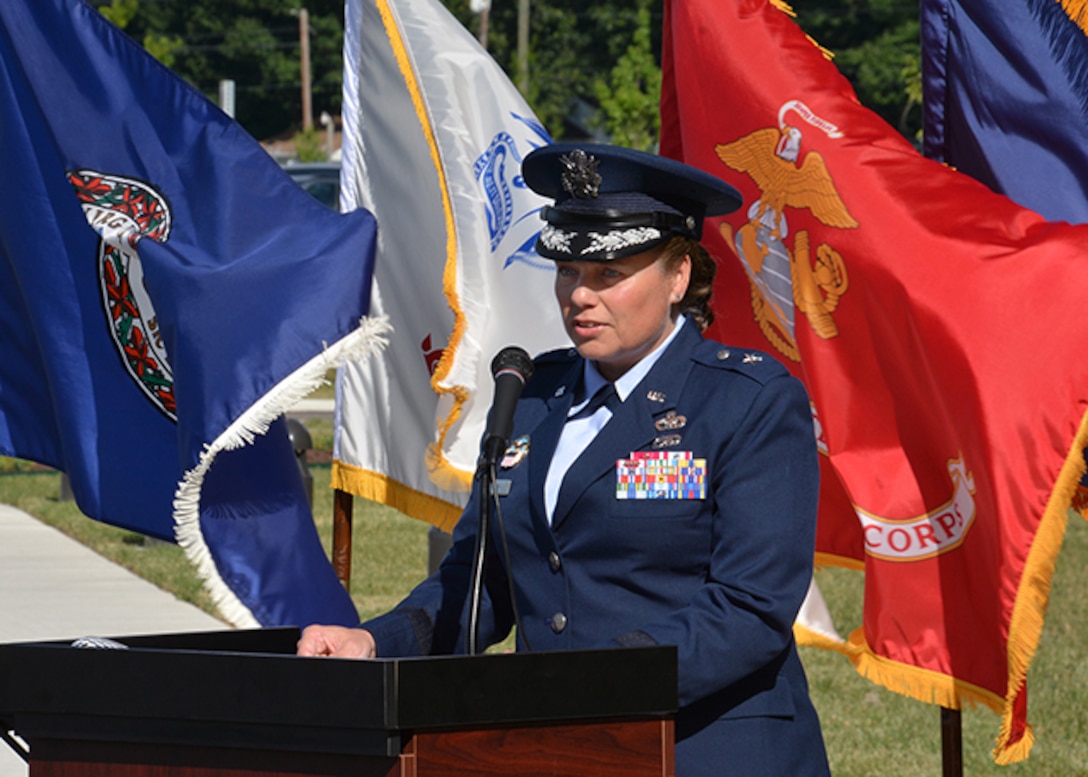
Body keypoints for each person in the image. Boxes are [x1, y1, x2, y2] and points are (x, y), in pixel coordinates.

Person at [298, 143, 831, 776]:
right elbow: (482, 581)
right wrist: (374, 642)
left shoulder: (747, 400)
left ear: (679, 277)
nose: (580, 295)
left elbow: (749, 607)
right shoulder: (531, 395)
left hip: (706, 749)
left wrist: (592, 685)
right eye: (567, 271)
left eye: (609, 274)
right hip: (558, 749)